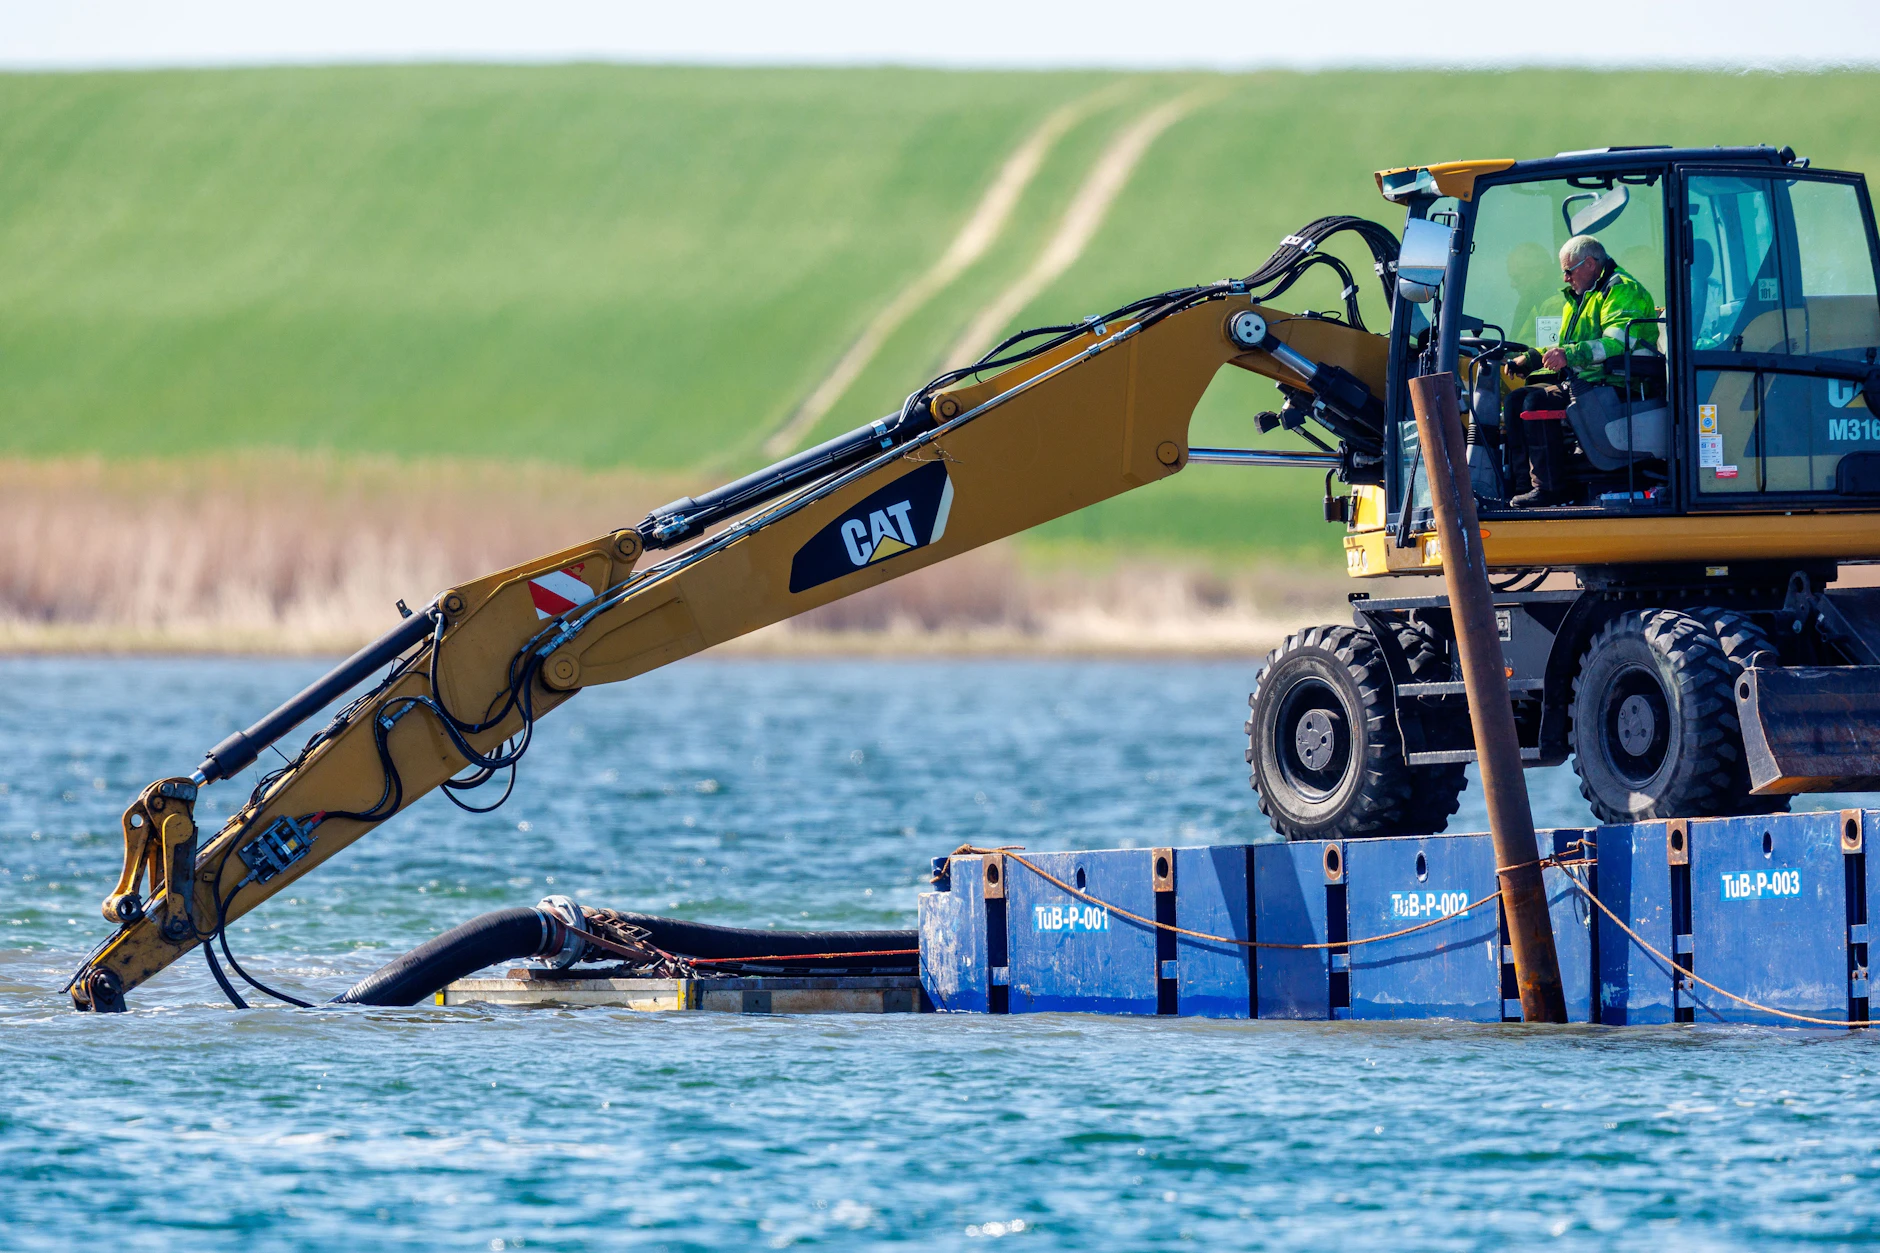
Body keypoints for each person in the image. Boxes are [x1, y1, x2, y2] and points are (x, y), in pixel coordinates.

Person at [1502, 235, 1660, 506]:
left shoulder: (1622, 290)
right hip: (1588, 383)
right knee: (1516, 399)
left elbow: (1617, 342)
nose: (1565, 278)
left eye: (1568, 270)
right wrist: (1529, 359)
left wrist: (1569, 355)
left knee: (1536, 400)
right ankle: (1522, 487)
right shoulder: (1582, 297)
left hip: (1619, 385)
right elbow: (1567, 347)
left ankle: (1551, 489)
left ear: (1589, 264)